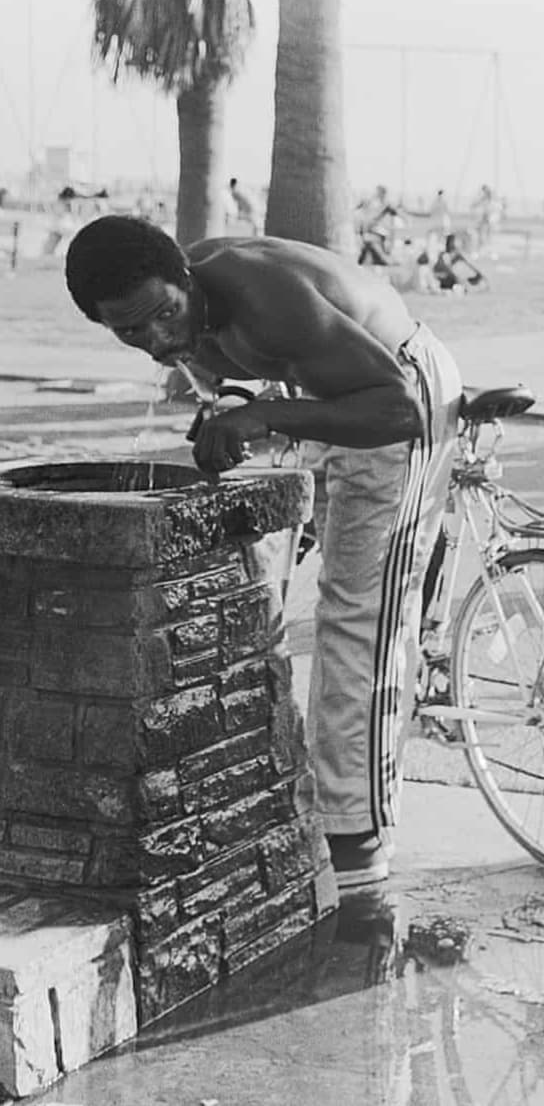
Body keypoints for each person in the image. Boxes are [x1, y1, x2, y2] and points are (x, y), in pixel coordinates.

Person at [63, 216, 462, 890]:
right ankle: (320, 800)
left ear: (186, 278)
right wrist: (238, 407)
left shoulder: (264, 295)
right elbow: (250, 374)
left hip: (396, 395)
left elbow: (398, 410)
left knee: (359, 618)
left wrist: (263, 418)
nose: (157, 338)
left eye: (163, 315)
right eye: (131, 332)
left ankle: (357, 843)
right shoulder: (186, 313)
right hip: (331, 394)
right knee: (295, 595)